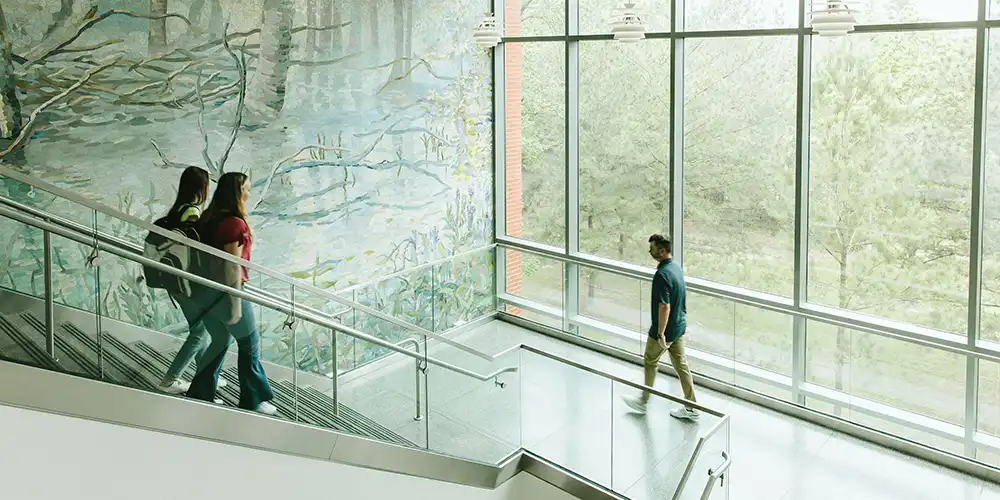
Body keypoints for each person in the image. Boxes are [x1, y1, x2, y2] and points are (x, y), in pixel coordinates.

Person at [186, 172, 277, 416]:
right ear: (237, 192)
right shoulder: (234, 224)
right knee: (249, 343)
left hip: (204, 292)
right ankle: (253, 399)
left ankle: (201, 392)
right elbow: (231, 267)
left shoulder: (210, 218)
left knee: (220, 341)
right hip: (226, 293)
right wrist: (235, 305)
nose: (249, 193)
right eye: (246, 189)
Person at [156, 166, 225, 394]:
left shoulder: (177, 211)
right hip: (186, 282)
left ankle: (206, 374)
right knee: (200, 331)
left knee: (201, 328)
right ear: (203, 188)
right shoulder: (192, 214)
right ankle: (170, 379)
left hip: (174, 280)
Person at [623, 234, 698, 421]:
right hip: (679, 325)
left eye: (653, 248)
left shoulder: (662, 275)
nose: (650, 251)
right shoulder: (676, 267)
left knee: (650, 361)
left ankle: (643, 401)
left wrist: (660, 333)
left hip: (666, 330)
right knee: (681, 365)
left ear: (662, 251)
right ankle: (692, 407)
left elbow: (664, 306)